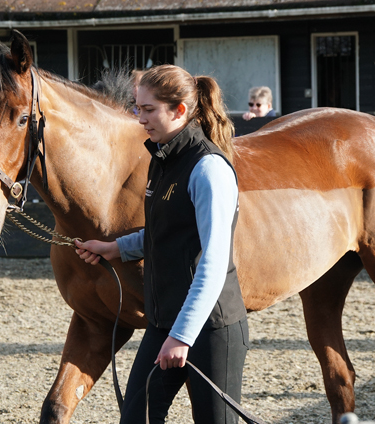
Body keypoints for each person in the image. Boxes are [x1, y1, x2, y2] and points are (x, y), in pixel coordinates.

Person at [75, 64, 248, 424]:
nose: (140, 118)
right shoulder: (162, 157)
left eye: (148, 109)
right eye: (138, 107)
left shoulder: (208, 169)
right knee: (136, 417)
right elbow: (165, 233)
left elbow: (213, 264)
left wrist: (182, 337)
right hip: (164, 322)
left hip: (211, 330)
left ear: (180, 111)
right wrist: (115, 248)